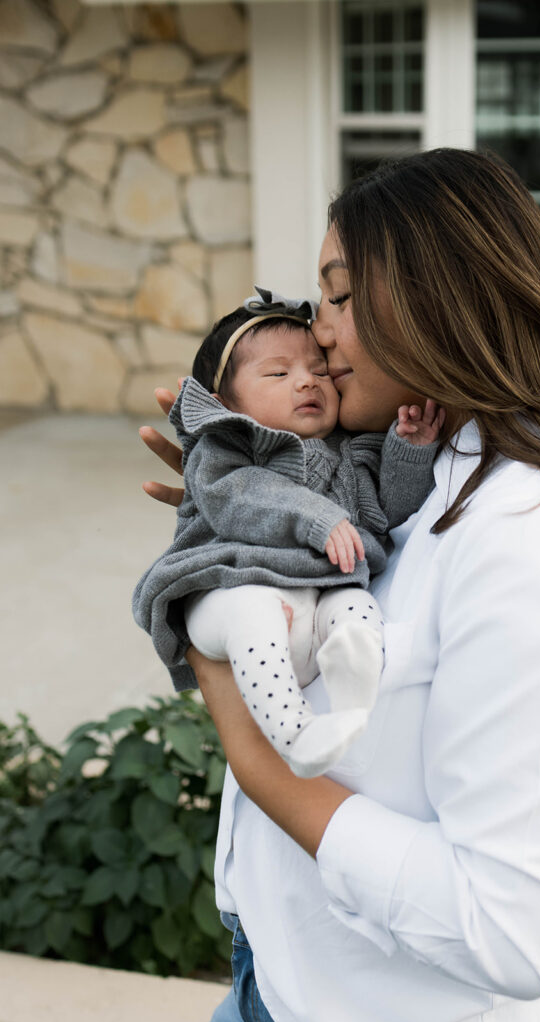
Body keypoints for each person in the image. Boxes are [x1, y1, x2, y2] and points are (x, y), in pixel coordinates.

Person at [140, 148, 540, 1022]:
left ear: (442, 292)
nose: (316, 332)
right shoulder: (427, 474)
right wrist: (248, 518)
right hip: (283, 985)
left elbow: (511, 932)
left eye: (340, 295)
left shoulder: (538, 541)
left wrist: (249, 750)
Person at [133, 290, 441, 778]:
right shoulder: (228, 446)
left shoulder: (351, 450)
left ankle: (352, 692)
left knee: (356, 605)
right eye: (278, 374)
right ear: (223, 403)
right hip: (231, 590)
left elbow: (385, 514)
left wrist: (410, 451)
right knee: (253, 610)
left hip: (314, 608)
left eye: (319, 371)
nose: (306, 382)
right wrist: (317, 518)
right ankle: (297, 734)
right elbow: (235, 495)